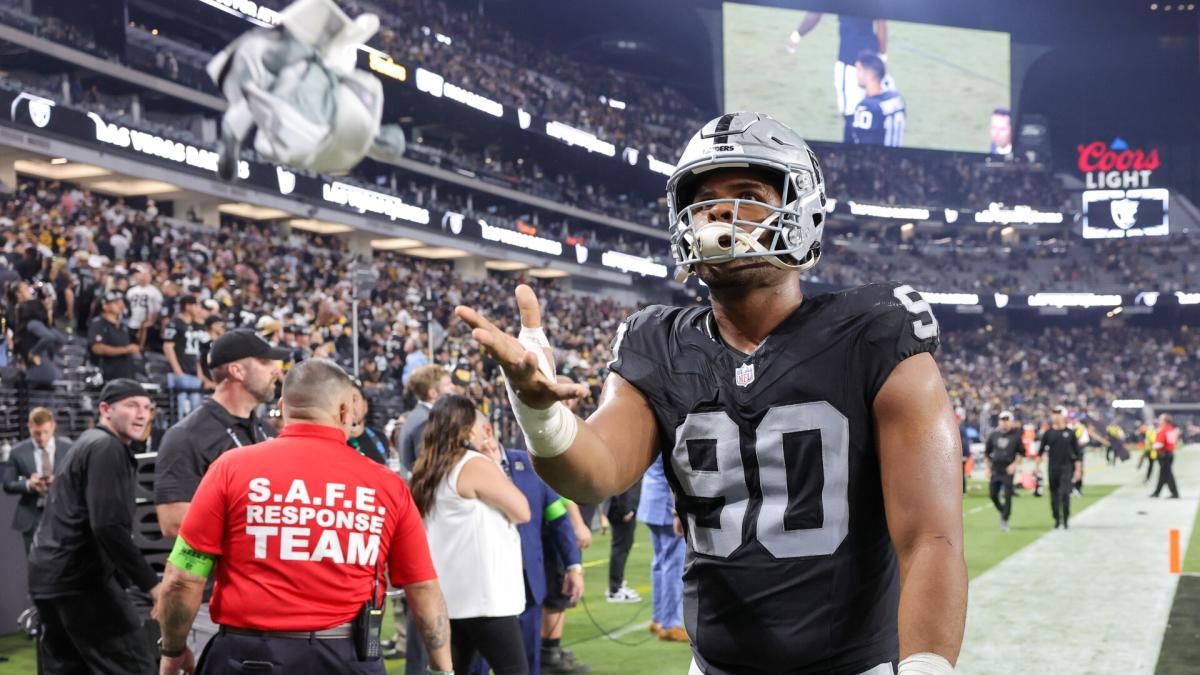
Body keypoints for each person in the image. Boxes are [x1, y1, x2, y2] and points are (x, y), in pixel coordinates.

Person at [456, 112, 967, 675]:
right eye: (705, 201)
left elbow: (932, 538)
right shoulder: (657, 342)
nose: (722, 212)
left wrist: (924, 668)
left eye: (748, 194)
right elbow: (592, 474)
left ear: (801, 208)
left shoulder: (874, 329)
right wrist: (538, 410)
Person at [154, 358, 454, 675]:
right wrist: (442, 669)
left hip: (248, 656)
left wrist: (172, 651)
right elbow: (422, 587)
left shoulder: (231, 468)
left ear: (283, 407)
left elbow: (184, 576)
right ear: (343, 411)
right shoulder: (386, 484)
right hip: (345, 656)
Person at [155, 328, 288, 656]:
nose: (277, 369)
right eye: (265, 361)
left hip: (267, 601)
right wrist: (263, 522)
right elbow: (173, 523)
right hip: (215, 606)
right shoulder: (186, 436)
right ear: (236, 370)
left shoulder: (262, 430)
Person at [27, 379, 159, 674]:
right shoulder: (106, 447)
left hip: (49, 579)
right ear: (105, 409)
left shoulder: (87, 442)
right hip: (82, 582)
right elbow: (108, 526)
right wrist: (153, 585)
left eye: (146, 407)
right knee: (134, 667)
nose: (141, 414)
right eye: (131, 406)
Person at [410, 395, 531, 675]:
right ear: (466, 426)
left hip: (447, 598)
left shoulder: (425, 468)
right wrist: (493, 464)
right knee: (513, 670)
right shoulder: (473, 464)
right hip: (485, 599)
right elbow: (522, 510)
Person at [474, 412, 583, 675]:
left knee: (526, 662)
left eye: (467, 434)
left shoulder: (527, 464)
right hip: (483, 585)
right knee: (477, 664)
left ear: (487, 431)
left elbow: (557, 518)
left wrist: (573, 566)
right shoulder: (465, 470)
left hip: (527, 583)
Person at [539, 376, 594, 675]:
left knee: (559, 588)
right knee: (558, 589)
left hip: (561, 519)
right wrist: (576, 522)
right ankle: (549, 655)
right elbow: (557, 485)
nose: (572, 399)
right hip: (557, 521)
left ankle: (552, 649)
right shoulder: (550, 429)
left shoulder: (560, 425)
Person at [786, 13, 888, 141]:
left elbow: (816, 12)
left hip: (851, 64)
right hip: (874, 62)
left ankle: (852, 154)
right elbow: (882, 20)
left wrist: (796, 36)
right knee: (875, 113)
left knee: (851, 116)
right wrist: (883, 58)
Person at [3, 407, 73, 553]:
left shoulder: (69, 448)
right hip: (32, 516)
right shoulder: (17, 452)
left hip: (63, 514)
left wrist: (59, 482)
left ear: (53, 427)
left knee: (65, 565)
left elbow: (79, 479)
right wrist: (28, 484)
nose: (41, 437)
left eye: (45, 432)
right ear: (29, 427)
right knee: (34, 565)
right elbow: (8, 484)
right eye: (36, 433)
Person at [637, 457, 686, 641]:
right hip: (665, 506)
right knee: (673, 566)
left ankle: (658, 619)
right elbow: (674, 473)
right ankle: (670, 624)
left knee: (660, 563)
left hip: (650, 502)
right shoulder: (668, 431)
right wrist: (676, 512)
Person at [400, 364, 456, 474]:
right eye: (447, 384)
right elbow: (427, 468)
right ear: (432, 393)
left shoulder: (423, 415)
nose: (453, 387)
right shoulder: (425, 421)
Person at [1037, 406, 1082, 529]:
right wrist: (1037, 467)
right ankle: (1057, 518)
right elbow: (1040, 452)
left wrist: (1078, 470)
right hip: (1052, 468)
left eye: (1058, 413)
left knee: (1064, 493)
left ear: (1064, 416)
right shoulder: (1048, 433)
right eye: (1054, 413)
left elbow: (1078, 454)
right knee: (1053, 495)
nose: (1055, 416)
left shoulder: (1071, 433)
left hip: (1067, 467)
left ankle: (1066, 519)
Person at [163, 296, 208, 415]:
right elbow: (168, 347)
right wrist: (178, 371)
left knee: (195, 413)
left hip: (193, 372)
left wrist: (200, 373)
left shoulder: (195, 325)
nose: (199, 308)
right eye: (196, 305)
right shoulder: (174, 323)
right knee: (180, 412)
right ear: (188, 306)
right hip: (180, 372)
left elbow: (195, 352)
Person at [849, 51, 905, 147]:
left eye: (858, 70)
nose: (856, 74)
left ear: (869, 74)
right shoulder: (897, 98)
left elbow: (864, 145)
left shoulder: (867, 107)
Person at [88, 291, 139, 382]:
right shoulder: (98, 323)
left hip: (125, 373)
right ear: (105, 306)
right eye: (115, 302)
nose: (120, 305)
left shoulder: (122, 325)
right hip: (107, 375)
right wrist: (125, 350)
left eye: (120, 302)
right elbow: (97, 348)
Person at [984, 411, 1022, 532]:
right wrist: (987, 468)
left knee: (1007, 495)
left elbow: (1021, 453)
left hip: (1008, 470)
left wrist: (1014, 465)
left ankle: (1005, 519)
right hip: (995, 469)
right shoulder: (993, 435)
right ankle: (1003, 511)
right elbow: (986, 453)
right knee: (992, 494)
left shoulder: (1016, 435)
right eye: (1002, 420)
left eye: (1006, 420)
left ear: (1011, 421)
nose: (1004, 422)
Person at [605, 480, 641, 603]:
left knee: (622, 547)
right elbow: (624, 483)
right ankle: (615, 589)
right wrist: (626, 509)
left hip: (622, 507)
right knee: (621, 548)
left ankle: (616, 585)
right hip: (622, 509)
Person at [126, 263, 163, 349]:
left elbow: (157, 310)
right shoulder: (131, 290)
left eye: (146, 275)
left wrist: (151, 322)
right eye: (142, 275)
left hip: (146, 324)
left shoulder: (155, 292)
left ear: (150, 277)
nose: (144, 277)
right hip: (131, 322)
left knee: (143, 347)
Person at [1151, 413, 1180, 499]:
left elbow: (1159, 444)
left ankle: (1174, 493)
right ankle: (1157, 492)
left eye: (1160, 419)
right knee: (1163, 475)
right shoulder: (1171, 429)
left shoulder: (1164, 430)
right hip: (1169, 454)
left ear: (1164, 421)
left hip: (1164, 455)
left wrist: (1152, 445)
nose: (1159, 421)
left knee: (1167, 475)